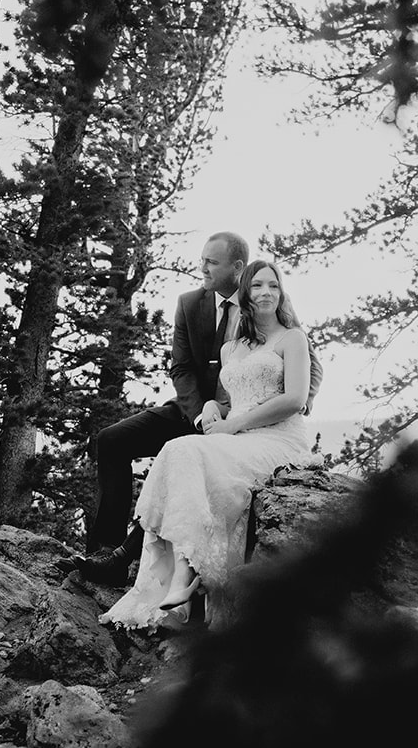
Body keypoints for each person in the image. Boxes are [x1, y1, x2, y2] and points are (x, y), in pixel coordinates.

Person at [75, 233, 320, 585]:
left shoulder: (269, 311)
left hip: (243, 422)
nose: (201, 267)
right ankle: (104, 550)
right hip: (193, 410)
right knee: (112, 440)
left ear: (238, 269)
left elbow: (308, 366)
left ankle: (134, 560)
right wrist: (199, 413)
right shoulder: (190, 303)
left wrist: (300, 399)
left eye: (211, 262)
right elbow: (182, 367)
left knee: (187, 458)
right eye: (203, 259)